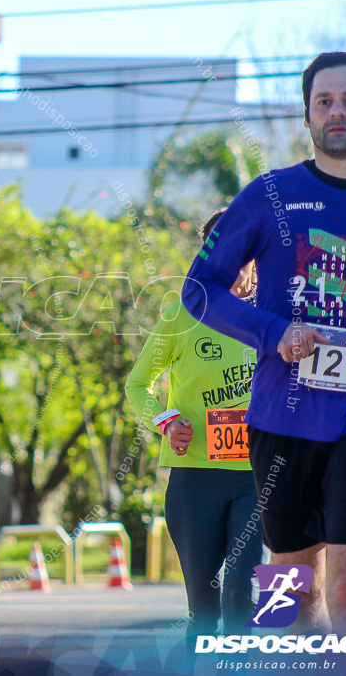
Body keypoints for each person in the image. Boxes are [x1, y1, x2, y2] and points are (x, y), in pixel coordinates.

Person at [183, 51, 346, 637]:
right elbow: (199, 289)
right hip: (284, 415)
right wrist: (275, 335)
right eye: (325, 101)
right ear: (306, 116)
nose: (339, 112)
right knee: (291, 587)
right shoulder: (269, 195)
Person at [126, 211, 262, 639]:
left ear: (256, 258)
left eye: (241, 252)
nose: (232, 263)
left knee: (242, 592)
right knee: (203, 608)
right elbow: (136, 385)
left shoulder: (276, 316)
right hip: (194, 478)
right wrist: (166, 421)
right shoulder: (182, 314)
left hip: (257, 477)